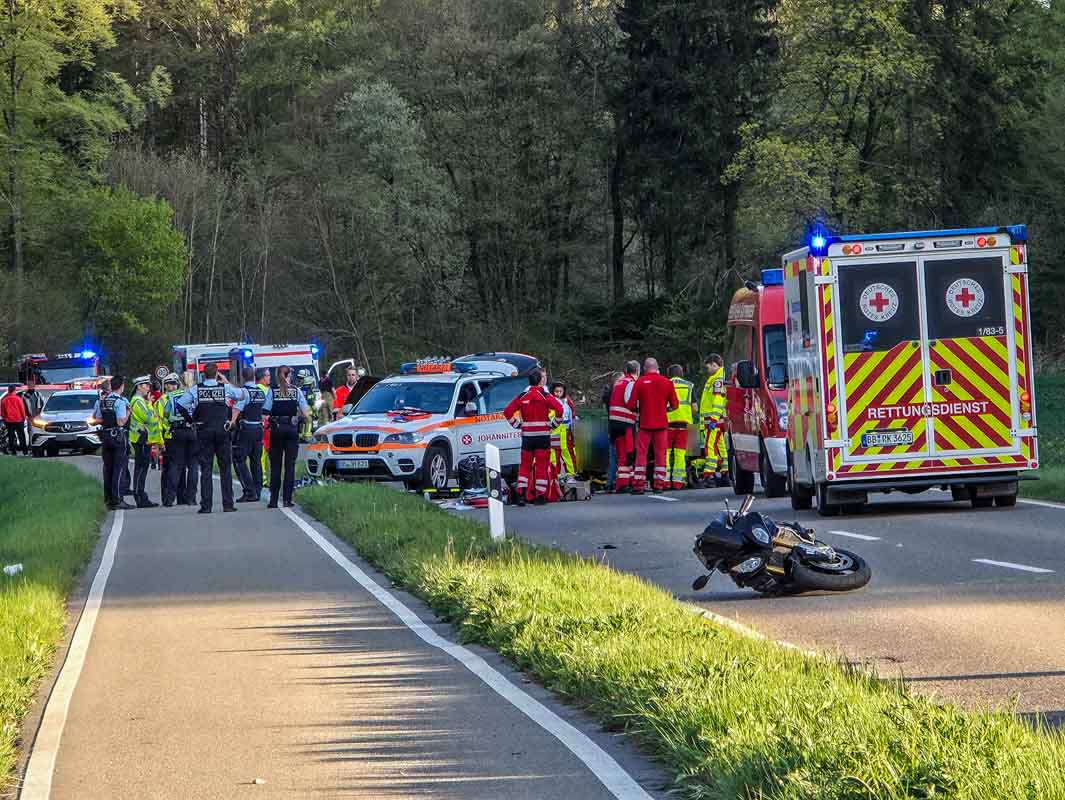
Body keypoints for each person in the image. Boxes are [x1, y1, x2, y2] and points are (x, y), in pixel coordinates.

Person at [175, 362, 248, 514]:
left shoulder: (196, 389)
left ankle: (206, 506)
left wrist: (191, 421)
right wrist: (233, 417)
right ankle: (228, 504)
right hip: (222, 431)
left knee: (206, 469)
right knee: (225, 469)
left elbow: (180, 404)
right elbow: (244, 395)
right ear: (216, 374)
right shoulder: (225, 388)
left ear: (203, 374)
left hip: (204, 432)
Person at [503, 368, 564, 506]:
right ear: (540, 381)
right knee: (541, 467)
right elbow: (560, 409)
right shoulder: (544, 395)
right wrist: (553, 424)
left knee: (524, 467)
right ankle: (540, 496)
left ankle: (521, 494)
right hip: (543, 437)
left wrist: (518, 425)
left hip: (527, 437)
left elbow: (507, 412)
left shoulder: (523, 396)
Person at [626, 358, 678, 494]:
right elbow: (675, 405)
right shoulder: (667, 382)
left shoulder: (640, 382)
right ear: (658, 367)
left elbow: (631, 404)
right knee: (661, 454)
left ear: (644, 368)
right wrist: (665, 409)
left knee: (641, 454)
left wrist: (639, 410)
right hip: (661, 424)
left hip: (645, 424)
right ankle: (659, 485)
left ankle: (638, 485)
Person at [262, 365, 311, 508]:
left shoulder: (273, 391)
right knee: (290, 466)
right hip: (291, 429)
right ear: (289, 376)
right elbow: (306, 413)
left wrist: (270, 420)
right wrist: (299, 416)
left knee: (276, 466)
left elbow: (265, 412)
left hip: (276, 429)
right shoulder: (296, 391)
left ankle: (273, 501)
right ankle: (287, 500)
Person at [93, 376, 132, 510]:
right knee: (119, 468)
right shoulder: (120, 401)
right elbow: (121, 421)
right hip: (117, 437)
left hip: (105, 436)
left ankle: (108, 499)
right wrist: (128, 412)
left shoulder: (102, 401)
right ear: (121, 387)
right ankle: (118, 499)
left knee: (107, 468)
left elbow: (97, 419)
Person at [233, 367, 267, 503]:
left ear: (243, 377)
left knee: (239, 459)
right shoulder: (260, 392)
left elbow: (237, 409)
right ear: (254, 377)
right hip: (259, 428)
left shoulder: (244, 392)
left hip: (246, 428)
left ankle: (249, 490)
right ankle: (257, 491)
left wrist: (231, 422)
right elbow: (264, 409)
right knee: (256, 461)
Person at [127, 376, 160, 508]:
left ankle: (140, 495)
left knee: (142, 468)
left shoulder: (142, 401)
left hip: (143, 438)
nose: (148, 388)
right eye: (146, 385)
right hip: (140, 439)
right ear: (139, 387)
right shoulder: (138, 401)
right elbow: (150, 418)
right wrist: (154, 414)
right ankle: (139, 496)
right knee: (141, 468)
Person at [607, 361, 640, 493]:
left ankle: (627, 481)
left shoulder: (620, 382)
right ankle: (623, 484)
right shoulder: (630, 383)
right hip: (625, 422)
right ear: (637, 371)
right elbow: (630, 401)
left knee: (623, 453)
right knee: (626, 454)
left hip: (615, 423)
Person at [159, 373, 189, 507]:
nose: (172, 386)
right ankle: (167, 497)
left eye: (174, 384)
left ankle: (180, 497)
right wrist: (160, 441)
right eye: (170, 384)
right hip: (167, 437)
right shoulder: (162, 401)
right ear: (165, 386)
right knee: (168, 469)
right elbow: (159, 420)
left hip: (175, 435)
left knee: (180, 468)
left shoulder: (176, 397)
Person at [700, 354, 728, 486]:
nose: (707, 370)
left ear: (714, 364)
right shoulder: (716, 378)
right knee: (720, 446)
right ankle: (725, 472)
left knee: (710, 446)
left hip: (714, 421)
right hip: (715, 420)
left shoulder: (717, 380)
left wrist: (714, 419)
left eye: (708, 367)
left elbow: (718, 400)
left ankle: (709, 475)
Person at [666, 365, 695, 490]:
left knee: (665, 453)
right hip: (684, 424)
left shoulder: (665, 384)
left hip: (667, 423)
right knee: (680, 453)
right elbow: (695, 408)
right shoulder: (689, 385)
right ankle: (678, 482)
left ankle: (665, 481)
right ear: (681, 373)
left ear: (669, 374)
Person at [550, 382, 578, 475]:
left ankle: (571, 475)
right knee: (554, 457)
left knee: (569, 455)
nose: (558, 393)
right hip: (554, 433)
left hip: (566, 432)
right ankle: (555, 477)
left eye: (560, 391)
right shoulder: (550, 401)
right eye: (556, 391)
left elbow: (572, 414)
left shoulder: (567, 401)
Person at [1, 384, 28, 456]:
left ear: (9, 390)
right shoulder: (18, 399)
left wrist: (5, 419)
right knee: (21, 436)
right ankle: (25, 452)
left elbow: (2, 412)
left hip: (9, 421)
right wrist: (23, 418)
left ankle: (13, 451)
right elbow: (22, 409)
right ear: (14, 390)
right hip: (19, 420)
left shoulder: (4, 400)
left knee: (11, 437)